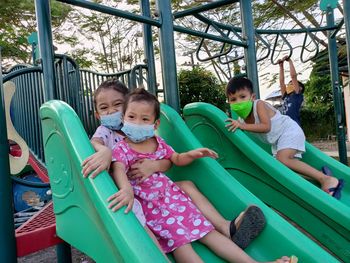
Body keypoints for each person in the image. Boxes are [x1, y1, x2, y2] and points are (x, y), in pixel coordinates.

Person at [108, 87, 291, 263]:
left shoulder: (158, 142)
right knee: (181, 244)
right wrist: (126, 189)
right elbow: (118, 169)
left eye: (144, 119)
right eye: (131, 117)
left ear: (155, 124)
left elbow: (176, 159)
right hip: (152, 208)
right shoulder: (122, 148)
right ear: (123, 118)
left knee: (208, 232)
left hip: (173, 198)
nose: (137, 123)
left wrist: (193, 154)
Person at [81, 78, 266, 250]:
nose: (111, 111)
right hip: (131, 193)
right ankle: (154, 252)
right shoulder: (105, 132)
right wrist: (105, 151)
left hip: (152, 186)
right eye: (104, 108)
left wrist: (155, 166)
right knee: (138, 213)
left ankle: (226, 227)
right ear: (97, 114)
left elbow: (168, 160)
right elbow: (94, 144)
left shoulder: (141, 131)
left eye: (118, 105)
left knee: (186, 185)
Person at [225, 77, 345, 199]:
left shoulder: (259, 105)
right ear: (229, 102)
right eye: (233, 99)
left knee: (283, 159)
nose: (238, 102)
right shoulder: (241, 120)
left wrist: (242, 126)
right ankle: (318, 176)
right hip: (278, 141)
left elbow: (266, 127)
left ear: (252, 97)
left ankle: (327, 180)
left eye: (242, 97)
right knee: (279, 169)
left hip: (289, 131)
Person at [278, 56, 304, 126]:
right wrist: (281, 66)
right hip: (285, 125)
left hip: (294, 125)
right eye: (289, 84)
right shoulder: (285, 96)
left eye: (292, 84)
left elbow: (293, 76)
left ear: (300, 88)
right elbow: (281, 82)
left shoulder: (297, 95)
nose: (289, 85)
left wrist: (290, 61)